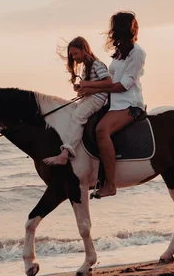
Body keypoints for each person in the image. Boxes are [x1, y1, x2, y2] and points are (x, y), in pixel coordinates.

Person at [78, 11, 146, 198]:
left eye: (115, 28)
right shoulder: (118, 53)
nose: (111, 32)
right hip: (112, 103)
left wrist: (91, 88)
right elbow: (108, 82)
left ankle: (110, 184)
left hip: (129, 104)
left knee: (101, 130)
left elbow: (124, 85)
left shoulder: (137, 53)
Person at [43, 36, 111, 166]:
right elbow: (93, 84)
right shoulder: (86, 67)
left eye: (75, 54)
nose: (74, 57)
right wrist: (81, 87)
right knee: (71, 112)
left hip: (97, 99)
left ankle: (65, 153)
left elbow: (108, 82)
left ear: (84, 50)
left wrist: (87, 84)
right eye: (72, 55)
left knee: (78, 117)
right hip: (90, 97)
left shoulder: (97, 64)